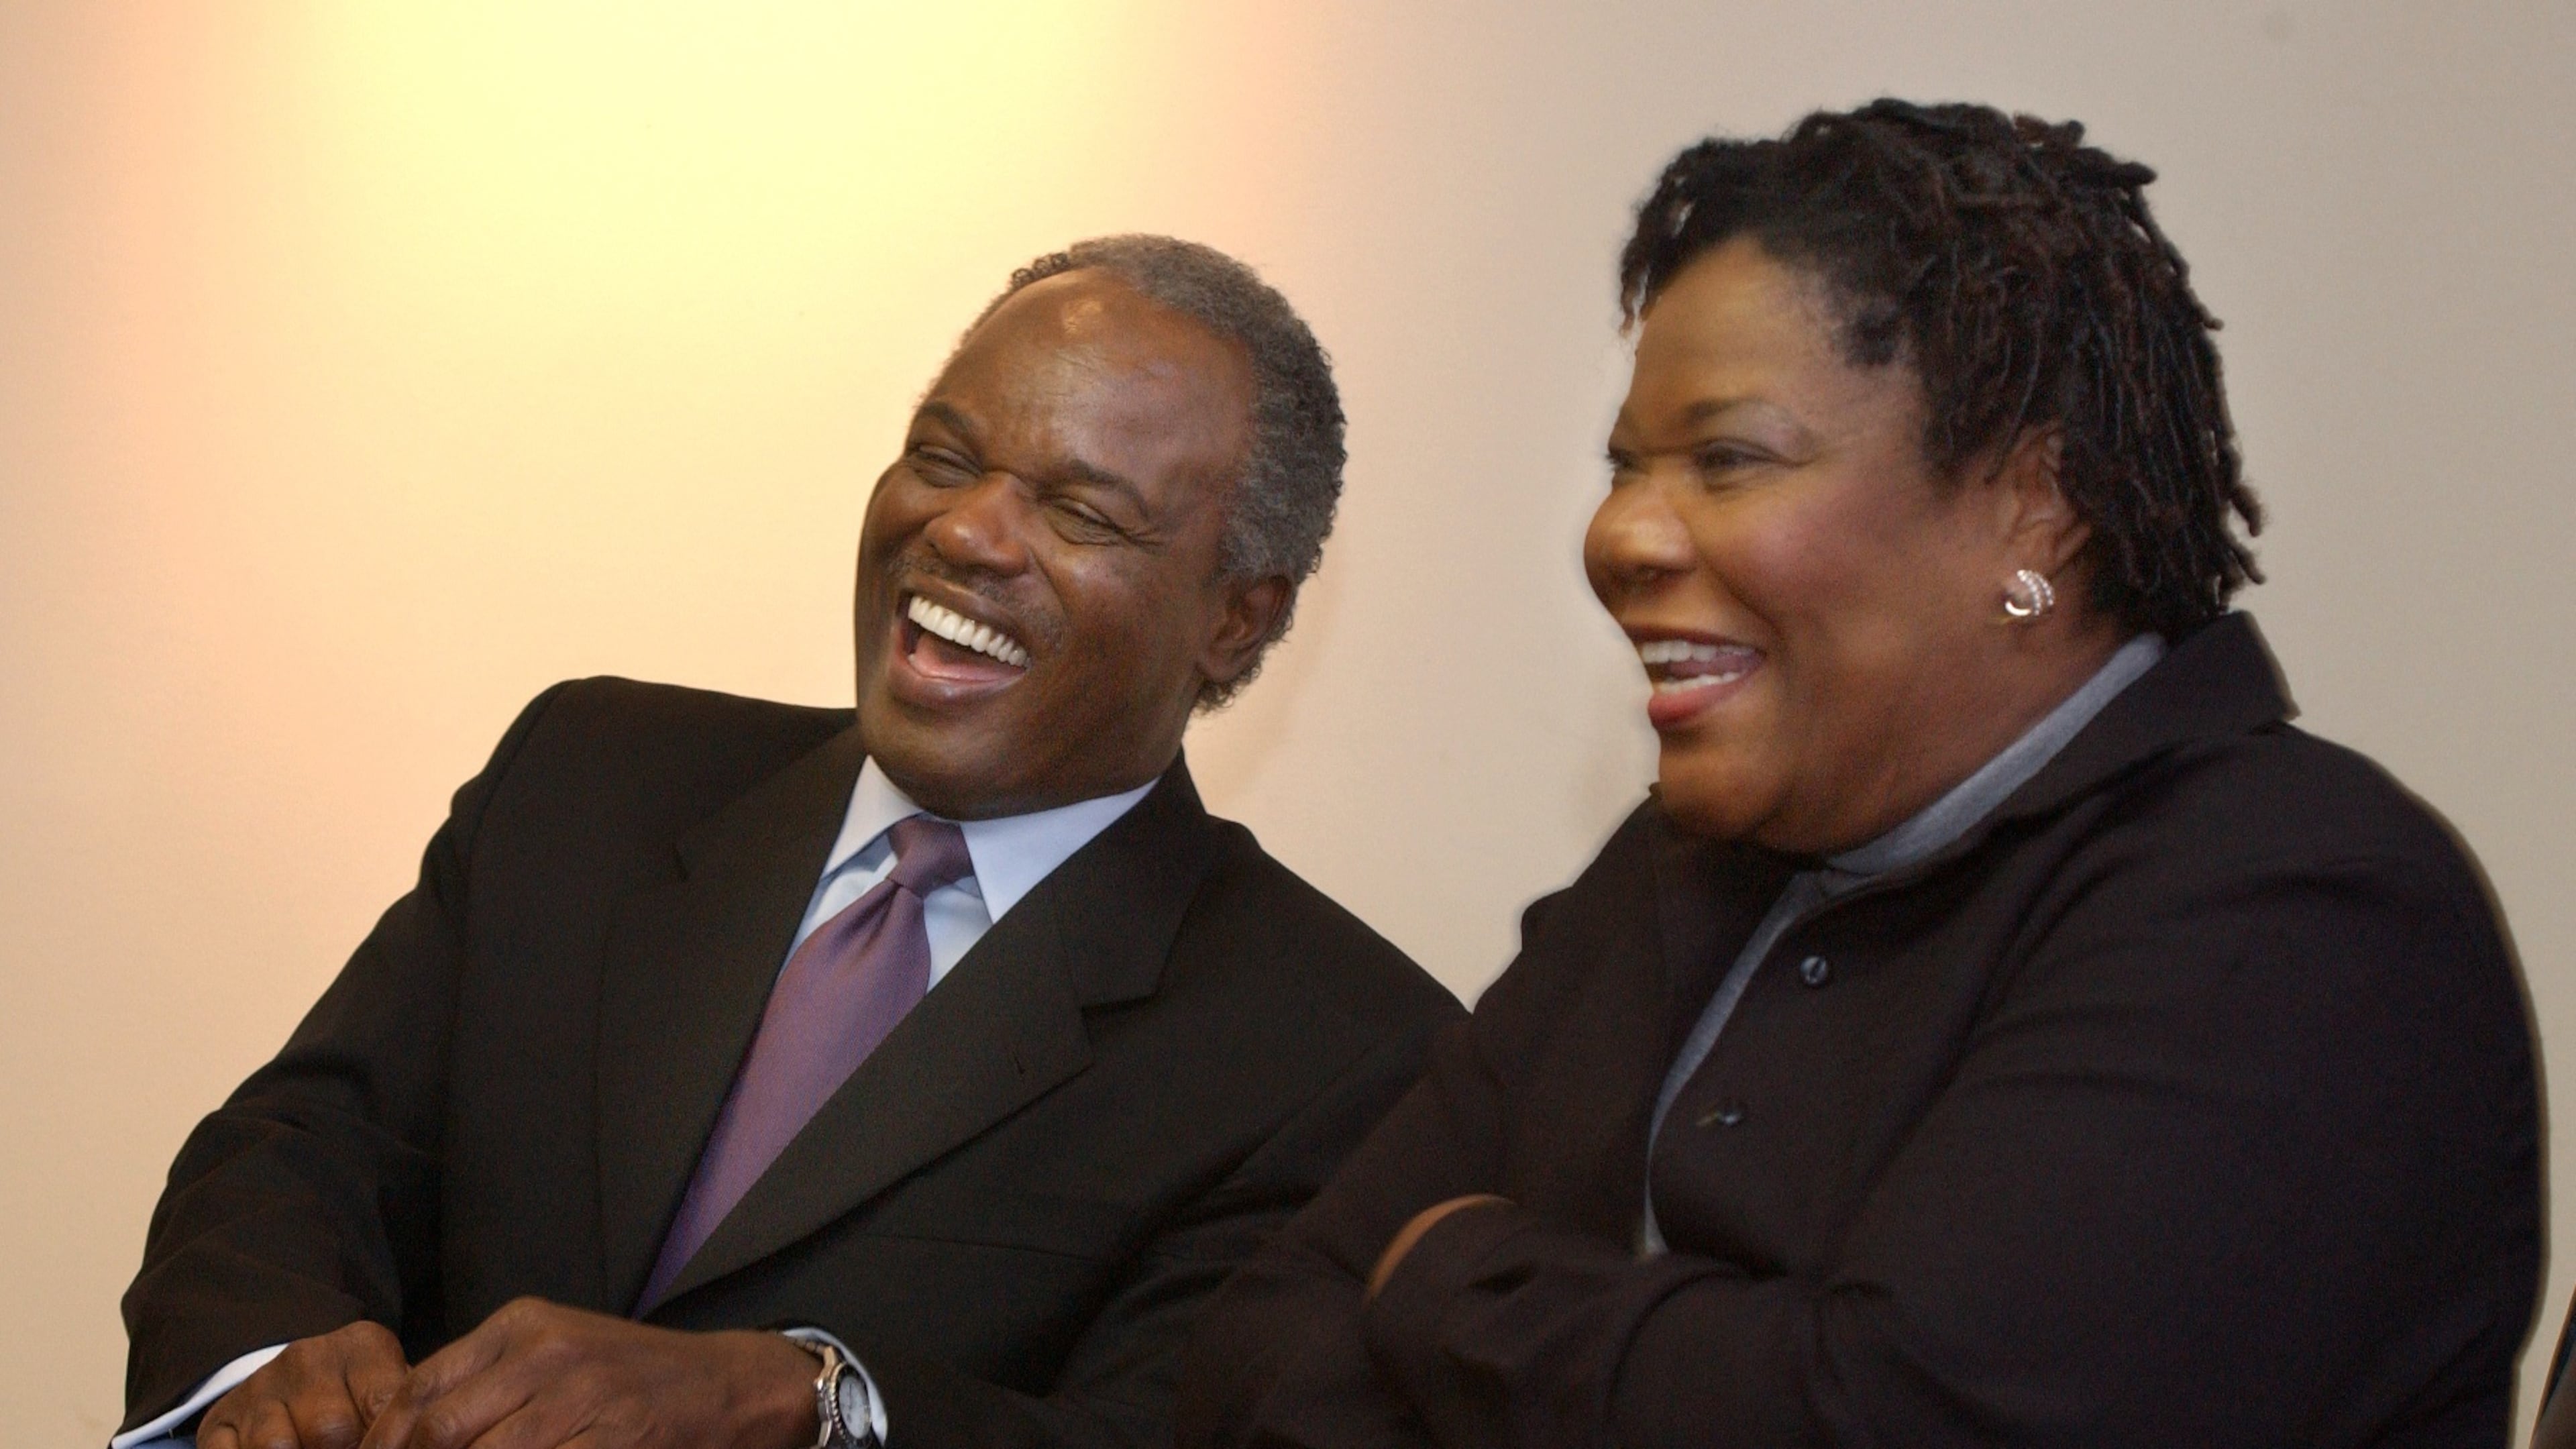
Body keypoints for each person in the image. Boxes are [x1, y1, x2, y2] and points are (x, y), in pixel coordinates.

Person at [1174, 101, 2539, 1448]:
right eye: (1628, 468)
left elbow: (1895, 1421)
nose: (1622, 534)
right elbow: (1258, 1352)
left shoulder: (2295, 903)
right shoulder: (1673, 871)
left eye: (1728, 460)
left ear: (2035, 511)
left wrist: (1454, 1279)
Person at [117, 235, 1464, 1449]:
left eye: (1078, 512)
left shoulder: (1344, 1055)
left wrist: (809, 1401)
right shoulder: (587, 781)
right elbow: (305, 1144)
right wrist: (270, 1357)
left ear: (1237, 618)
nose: (966, 529)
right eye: (943, 456)